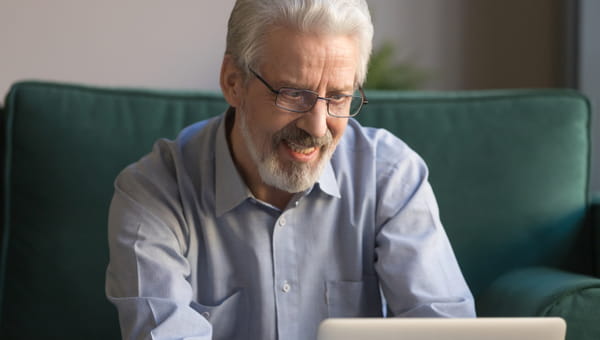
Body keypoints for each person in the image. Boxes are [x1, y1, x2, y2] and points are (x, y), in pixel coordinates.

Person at [105, 0, 476, 339]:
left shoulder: (391, 176)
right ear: (234, 82)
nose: (317, 127)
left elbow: (444, 330)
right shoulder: (152, 193)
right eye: (293, 94)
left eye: (338, 97)